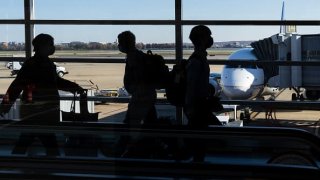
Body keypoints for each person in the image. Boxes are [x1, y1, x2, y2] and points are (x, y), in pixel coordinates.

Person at [0, 33, 83, 156]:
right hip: (39, 110)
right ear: (42, 46)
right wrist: (5, 105)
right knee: (45, 140)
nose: (53, 47)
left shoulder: (40, 63)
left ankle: (16, 162)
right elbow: (17, 86)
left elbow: (16, 86)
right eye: (51, 45)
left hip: (36, 109)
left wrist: (6, 105)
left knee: (30, 138)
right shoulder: (38, 64)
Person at [184, 25, 222, 162]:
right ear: (201, 39)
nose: (210, 40)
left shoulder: (199, 58)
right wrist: (190, 108)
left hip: (199, 105)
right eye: (208, 36)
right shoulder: (196, 61)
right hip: (197, 107)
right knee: (201, 139)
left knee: (199, 139)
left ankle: (196, 161)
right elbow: (192, 86)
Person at [118, 31, 157, 126]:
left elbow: (138, 77)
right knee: (151, 122)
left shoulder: (133, 58)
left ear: (125, 43)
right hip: (148, 94)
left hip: (141, 97)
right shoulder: (139, 55)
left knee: (129, 124)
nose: (119, 45)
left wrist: (136, 92)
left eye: (120, 43)